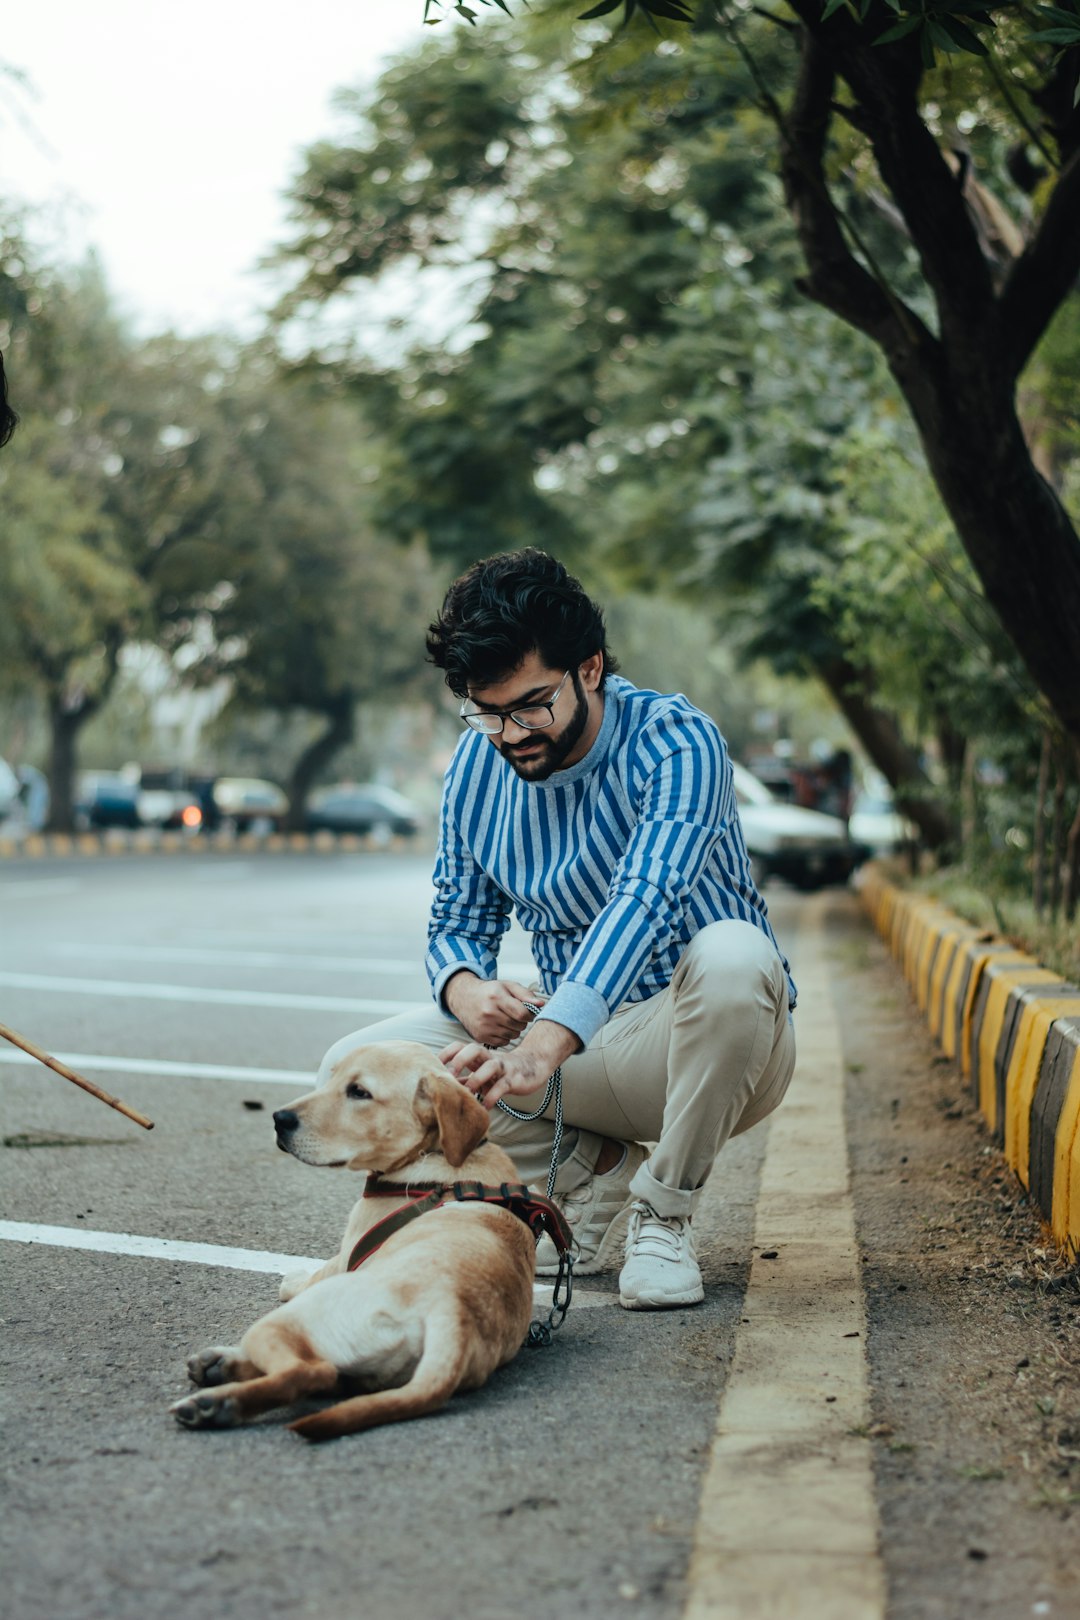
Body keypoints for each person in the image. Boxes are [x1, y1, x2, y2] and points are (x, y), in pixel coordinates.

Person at [318, 549, 797, 1310]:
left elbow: (648, 896)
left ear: (591, 668)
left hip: (694, 1038)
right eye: (487, 710)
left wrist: (545, 1040)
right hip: (572, 1046)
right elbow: (457, 918)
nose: (510, 733)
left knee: (736, 954)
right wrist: (467, 987)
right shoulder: (478, 766)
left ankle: (664, 1213)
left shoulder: (676, 742)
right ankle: (588, 1167)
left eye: (532, 704)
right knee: (355, 1066)